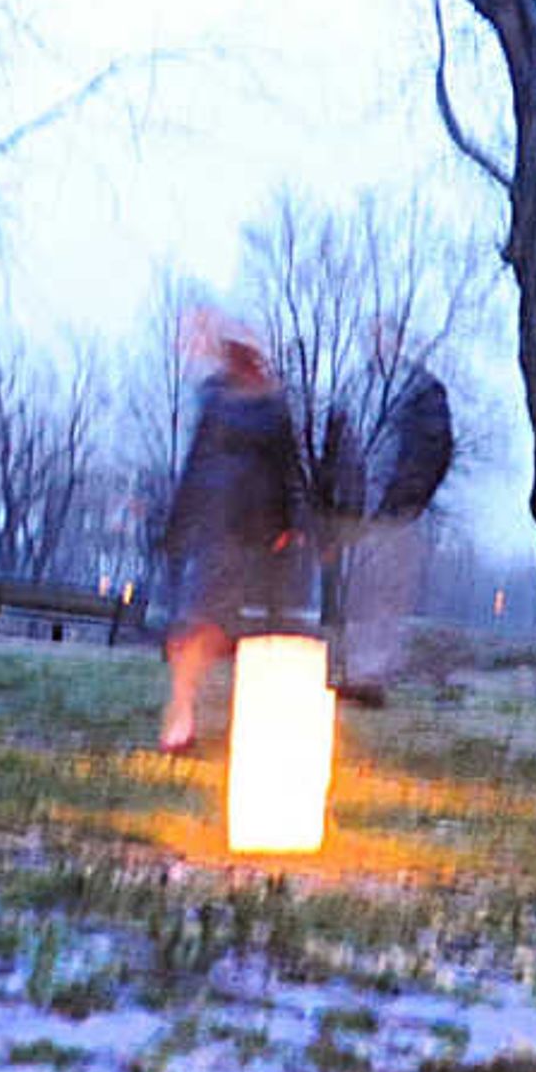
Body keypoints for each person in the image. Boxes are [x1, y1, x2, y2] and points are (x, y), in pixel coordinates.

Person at [153, 319, 306, 755]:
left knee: (250, 629)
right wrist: (179, 523)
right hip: (216, 526)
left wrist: (289, 523)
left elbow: (287, 468)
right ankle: (181, 717)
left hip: (257, 531)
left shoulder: (273, 406)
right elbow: (199, 462)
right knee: (202, 618)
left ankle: (265, 725)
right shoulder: (217, 401)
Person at [328, 329, 454, 708]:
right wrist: (334, 502)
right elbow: (336, 445)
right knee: (354, 595)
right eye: (373, 335)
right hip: (356, 509)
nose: (378, 343)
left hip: (395, 509)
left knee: (386, 594)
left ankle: (372, 678)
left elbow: (435, 450)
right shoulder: (355, 385)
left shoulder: (421, 389)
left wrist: (408, 501)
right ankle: (353, 672)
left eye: (386, 336)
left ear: (400, 341)